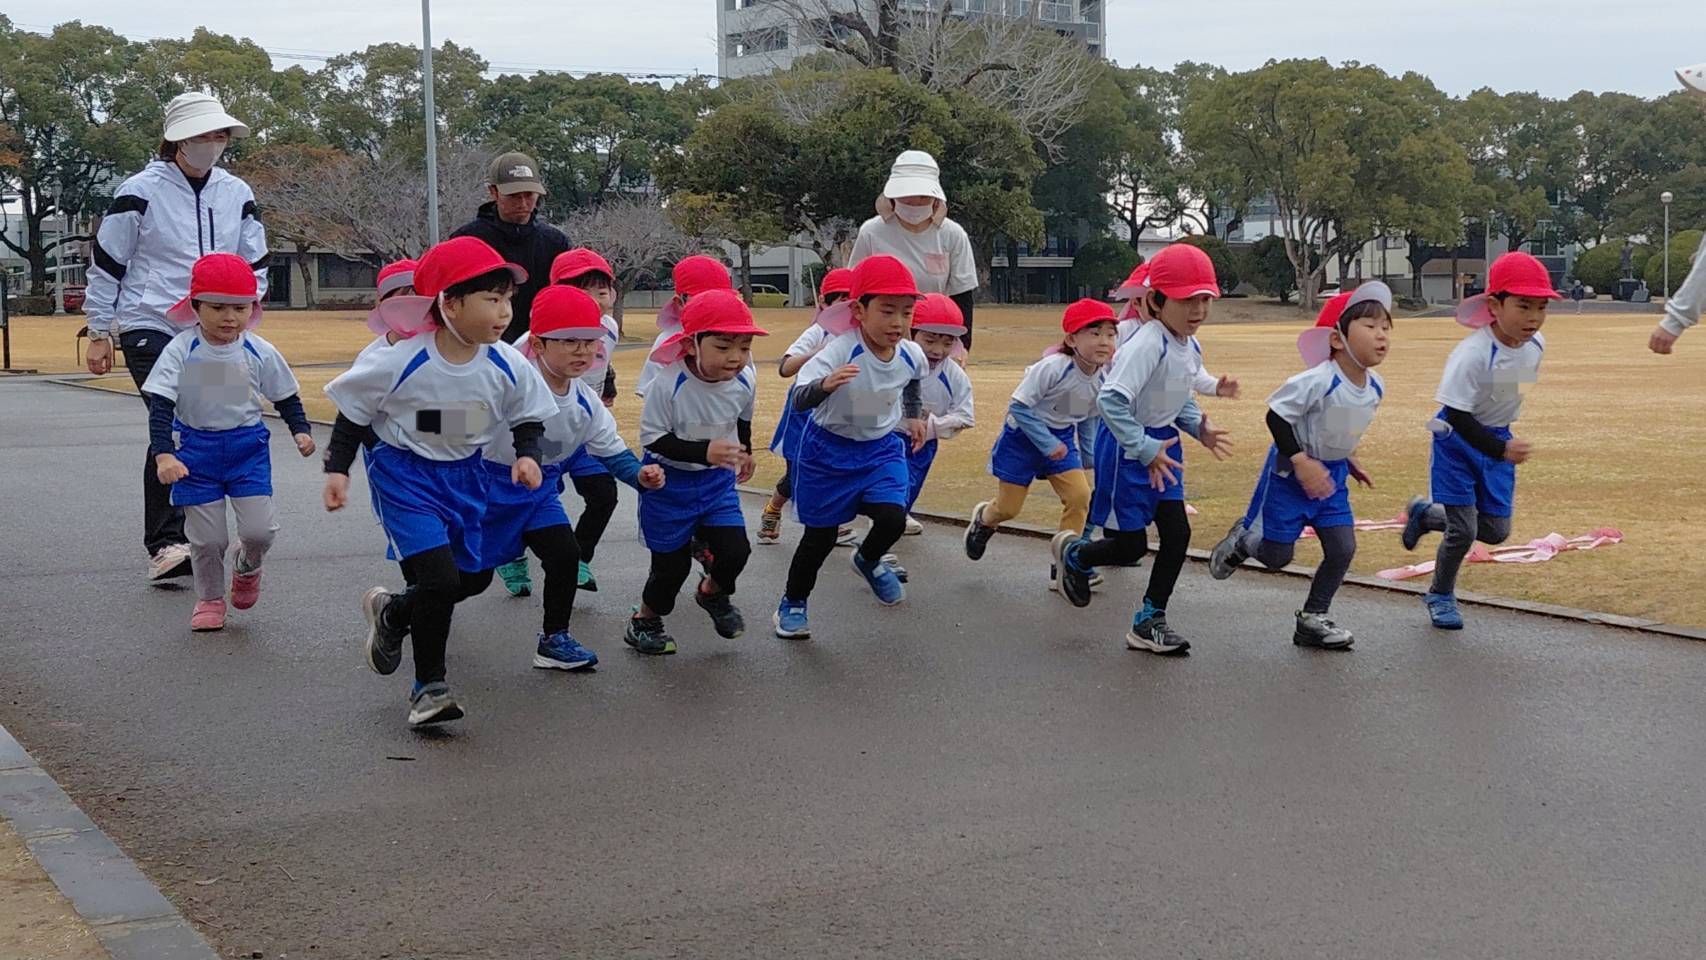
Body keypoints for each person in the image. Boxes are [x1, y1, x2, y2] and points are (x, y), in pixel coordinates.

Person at [321, 237, 557, 727]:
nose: (504, 312)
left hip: (467, 475)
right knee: (440, 580)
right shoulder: (401, 359)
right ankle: (429, 688)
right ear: (449, 304)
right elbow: (353, 413)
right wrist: (338, 469)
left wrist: (528, 456)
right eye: (491, 299)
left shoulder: (506, 362)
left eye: (508, 299)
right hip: (405, 475)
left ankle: (393, 613)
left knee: (474, 577)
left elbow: (527, 414)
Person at [83, 92, 270, 583]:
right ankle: (166, 543)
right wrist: (99, 329)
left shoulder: (236, 192)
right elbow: (108, 261)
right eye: (202, 134)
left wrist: (244, 310)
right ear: (178, 140)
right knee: (171, 419)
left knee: (209, 420)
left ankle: (212, 529)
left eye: (220, 134)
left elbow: (255, 260)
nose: (213, 142)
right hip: (150, 321)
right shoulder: (139, 190)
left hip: (214, 328)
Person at [1056, 244, 1235, 654]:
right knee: (1130, 546)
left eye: (1205, 299)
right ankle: (1076, 555)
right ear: (1155, 300)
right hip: (1125, 450)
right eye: (1187, 300)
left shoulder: (1189, 345)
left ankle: (1150, 618)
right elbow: (1110, 401)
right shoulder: (1148, 344)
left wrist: (1199, 428)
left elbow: (1178, 397)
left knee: (1177, 533)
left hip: (1163, 446)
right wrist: (1142, 447)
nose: (1198, 310)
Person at [481, 285, 664, 671]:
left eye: (590, 341)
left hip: (540, 491)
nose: (583, 351)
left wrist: (641, 477)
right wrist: (410, 430)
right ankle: (399, 610)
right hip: (486, 488)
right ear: (538, 344)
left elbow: (612, 452)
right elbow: (447, 424)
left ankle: (554, 640)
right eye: (569, 341)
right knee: (467, 581)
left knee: (565, 554)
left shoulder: (586, 401)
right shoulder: (506, 384)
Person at [1208, 282, 1394, 650]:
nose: (1381, 335)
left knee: (1342, 548)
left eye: (1386, 327)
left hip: (1331, 478)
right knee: (1277, 557)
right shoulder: (1317, 380)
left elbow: (1339, 426)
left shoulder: (1376, 386)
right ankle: (1243, 538)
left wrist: (1349, 458)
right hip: (1288, 476)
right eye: (1370, 326)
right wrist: (1301, 460)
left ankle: (1313, 618)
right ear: (1337, 339)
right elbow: (1276, 417)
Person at [141, 254, 314, 632]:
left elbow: (285, 395)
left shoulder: (258, 350)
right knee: (207, 540)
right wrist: (164, 454)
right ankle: (209, 599)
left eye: (240, 308)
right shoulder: (181, 350)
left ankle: (247, 566)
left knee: (259, 531)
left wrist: (300, 429)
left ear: (253, 308)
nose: (229, 317)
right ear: (195, 306)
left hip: (246, 450)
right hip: (196, 453)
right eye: (217, 307)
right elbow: (161, 405)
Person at [772, 256, 929, 640]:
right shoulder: (840, 349)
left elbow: (912, 380)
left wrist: (913, 416)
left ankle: (869, 559)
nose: (898, 323)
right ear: (859, 311)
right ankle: (793, 603)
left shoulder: (911, 352)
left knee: (893, 517)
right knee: (820, 538)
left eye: (906, 313)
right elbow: (799, 398)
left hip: (880, 449)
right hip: (828, 451)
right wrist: (825, 385)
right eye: (887, 311)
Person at [1399, 252, 1558, 631]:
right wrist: (1499, 449)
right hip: (1456, 441)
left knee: (1496, 531)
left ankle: (1425, 514)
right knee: (1464, 531)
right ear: (1494, 306)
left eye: (1541, 307)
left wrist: (1501, 441)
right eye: (1523, 306)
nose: (1534, 317)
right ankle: (1440, 594)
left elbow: (1507, 393)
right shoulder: (1472, 354)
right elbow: (1457, 415)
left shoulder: (1536, 345)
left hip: (1497, 437)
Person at [626, 290, 766, 656]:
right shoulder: (667, 383)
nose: (736, 357)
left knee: (735, 552)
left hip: (716, 482)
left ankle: (712, 593)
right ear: (691, 344)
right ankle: (644, 620)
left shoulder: (745, 380)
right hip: (669, 484)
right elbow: (653, 439)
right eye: (723, 347)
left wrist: (745, 451)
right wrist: (704, 451)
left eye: (745, 347)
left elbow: (741, 419)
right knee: (670, 571)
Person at [963, 299, 1115, 592]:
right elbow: (1019, 407)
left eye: (1110, 334)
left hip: (1061, 441)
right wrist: (1046, 443)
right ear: (1072, 339)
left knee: (1080, 496)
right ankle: (984, 520)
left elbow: (1088, 416)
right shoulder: (1053, 368)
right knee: (1008, 508)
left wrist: (1089, 456)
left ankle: (1067, 563)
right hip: (1021, 440)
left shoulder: (1104, 378)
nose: (1104, 342)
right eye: (1095, 333)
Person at [496, 248, 624, 597]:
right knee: (530, 499)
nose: (594, 299)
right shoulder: (529, 344)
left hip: (582, 429)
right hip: (538, 436)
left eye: (601, 290)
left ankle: (579, 557)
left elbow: (602, 365)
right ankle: (511, 555)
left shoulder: (609, 329)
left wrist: (608, 387)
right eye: (582, 290)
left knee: (604, 493)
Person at [759, 268, 857, 547]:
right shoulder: (818, 332)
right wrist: (817, 354)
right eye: (841, 299)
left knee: (838, 466)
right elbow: (785, 368)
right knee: (798, 471)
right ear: (824, 302)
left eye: (853, 300)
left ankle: (833, 523)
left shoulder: (862, 334)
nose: (848, 306)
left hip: (842, 409)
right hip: (805, 409)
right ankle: (773, 509)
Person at [849, 151, 979, 350]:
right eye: (906, 196)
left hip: (933, 340)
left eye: (922, 196)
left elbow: (961, 296)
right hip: (880, 338)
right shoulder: (872, 232)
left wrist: (961, 348)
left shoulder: (952, 234)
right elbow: (854, 289)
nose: (914, 202)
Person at [449, 151, 570, 344]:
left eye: (529, 195)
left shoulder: (556, 242)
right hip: (480, 345)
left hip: (540, 346)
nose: (522, 203)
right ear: (493, 192)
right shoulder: (466, 241)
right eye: (513, 196)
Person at [634, 255, 737, 400]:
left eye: (720, 298)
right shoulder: (667, 341)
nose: (712, 305)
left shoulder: (736, 337)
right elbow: (651, 396)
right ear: (680, 302)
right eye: (701, 300)